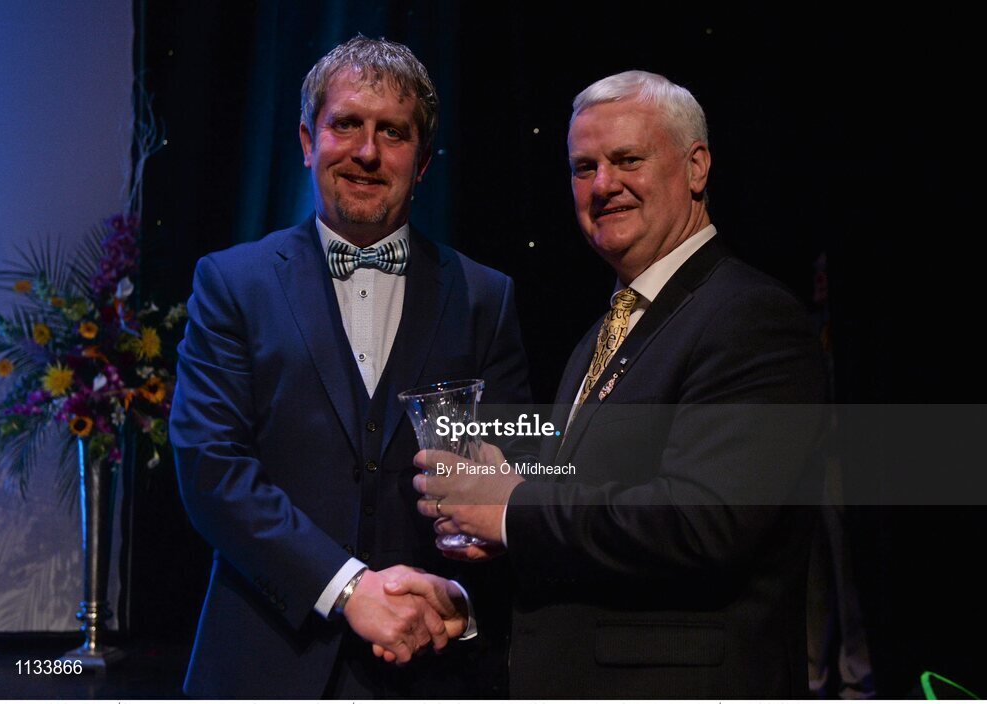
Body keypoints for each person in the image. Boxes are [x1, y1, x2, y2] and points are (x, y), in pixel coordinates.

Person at [410, 70, 827, 698]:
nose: (603, 185)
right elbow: (601, 498)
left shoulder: (751, 317)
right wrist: (516, 487)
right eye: (583, 167)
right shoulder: (606, 330)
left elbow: (701, 521)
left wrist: (511, 510)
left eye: (627, 159)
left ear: (697, 167)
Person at [170, 36, 529, 698]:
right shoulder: (231, 282)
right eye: (347, 125)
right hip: (263, 663)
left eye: (393, 132)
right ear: (308, 142)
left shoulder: (484, 296)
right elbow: (210, 469)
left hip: (431, 660)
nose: (367, 152)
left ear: (421, 164)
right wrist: (349, 589)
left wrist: (460, 580)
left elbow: (505, 475)